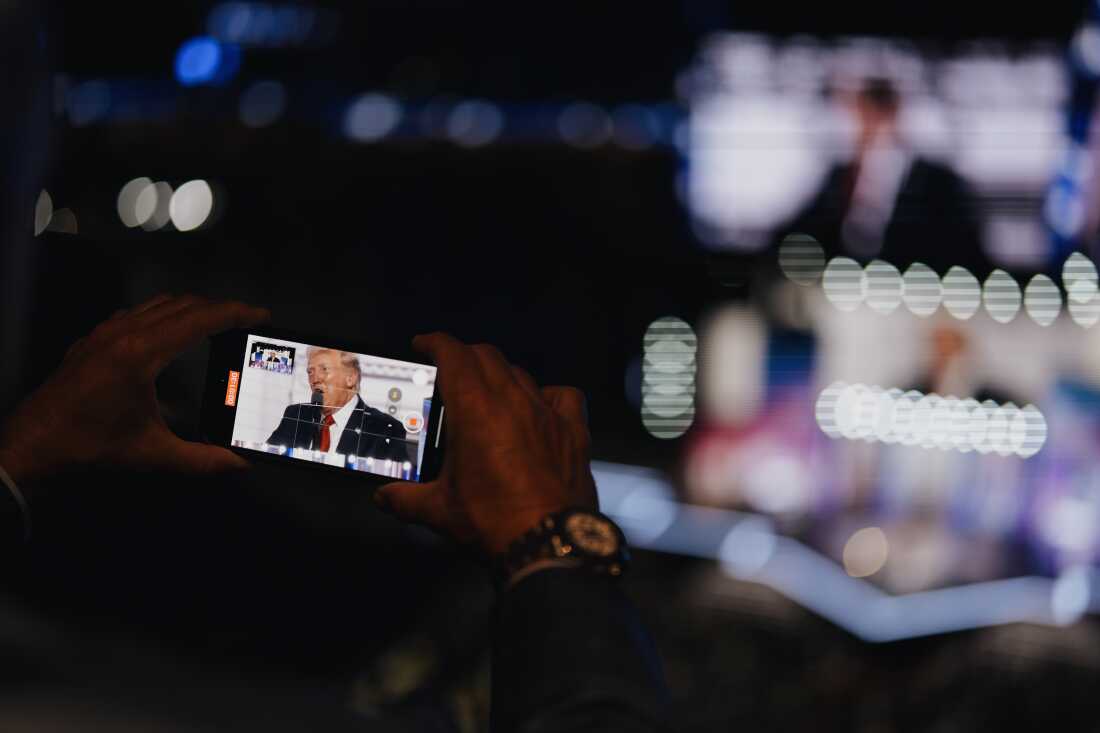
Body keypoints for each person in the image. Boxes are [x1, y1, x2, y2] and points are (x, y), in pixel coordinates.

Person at [0, 294, 669, 731]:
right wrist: (549, 538)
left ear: (353, 379)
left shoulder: (382, 422)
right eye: (318, 375)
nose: (323, 381)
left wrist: (19, 462)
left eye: (334, 374)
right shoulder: (293, 414)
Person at [784, 76, 988, 276]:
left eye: (853, 112)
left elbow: (965, 257)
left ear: (882, 115)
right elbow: (797, 235)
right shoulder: (839, 177)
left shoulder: (940, 183)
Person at [266, 347, 409, 467]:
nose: (315, 379)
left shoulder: (385, 429)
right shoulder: (295, 415)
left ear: (351, 378)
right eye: (310, 371)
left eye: (324, 369)